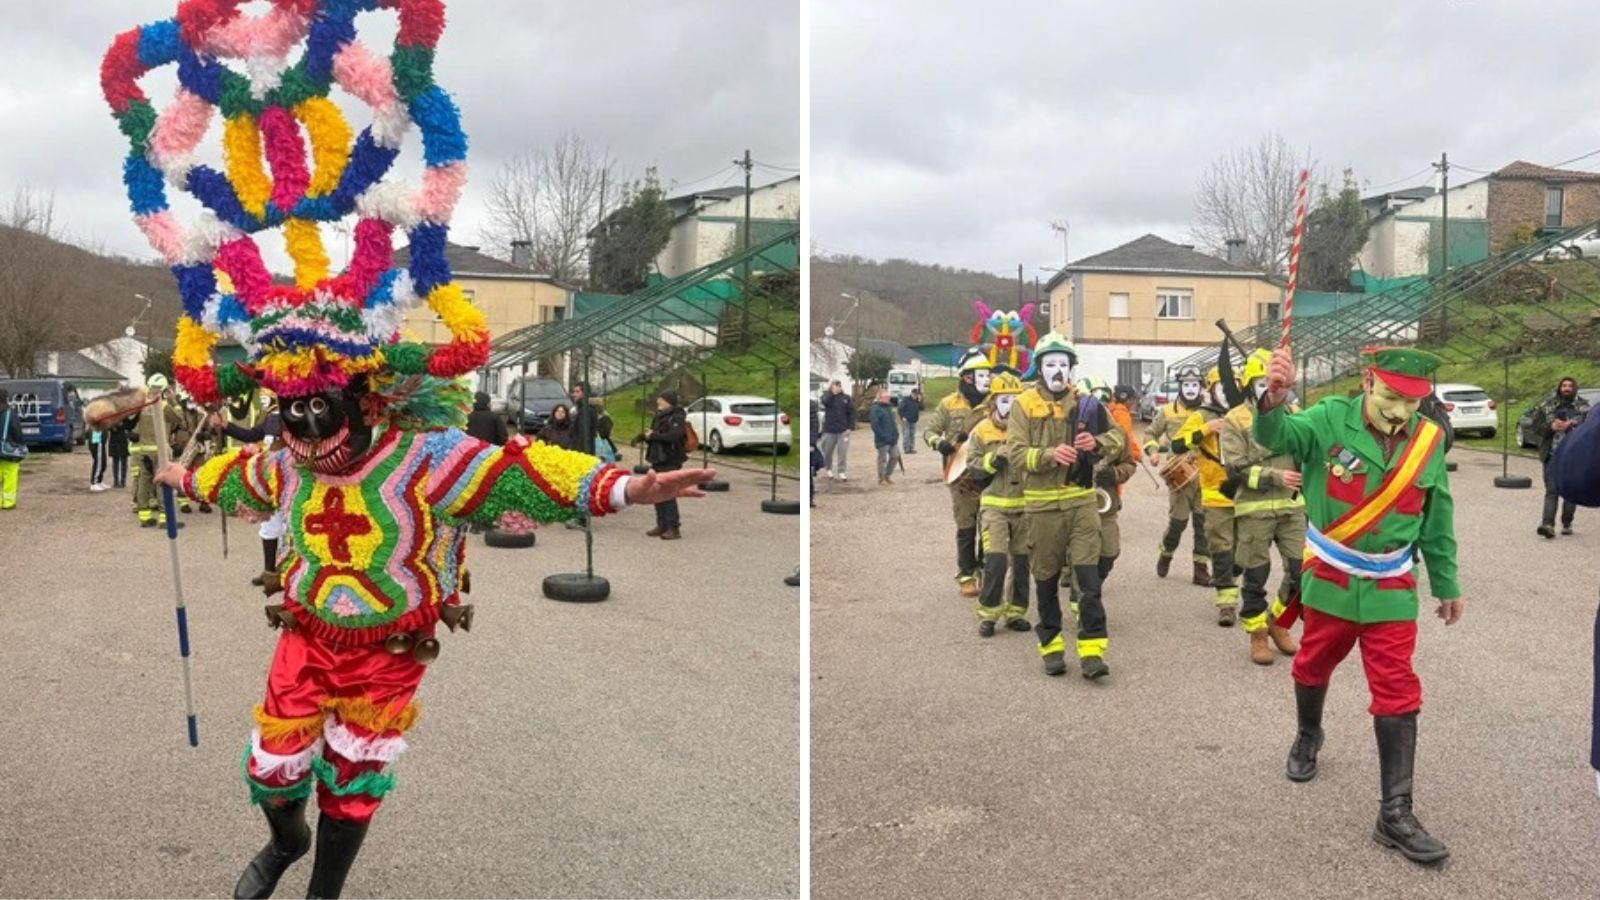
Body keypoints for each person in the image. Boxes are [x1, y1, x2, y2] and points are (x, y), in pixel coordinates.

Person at [1256, 346, 1460, 865]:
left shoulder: (1429, 440)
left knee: (1397, 687)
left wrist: (1446, 582)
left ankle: (1395, 813)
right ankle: (1308, 734)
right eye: (1392, 397)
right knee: (1313, 664)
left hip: (1392, 586)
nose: (1400, 412)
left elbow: (1436, 517)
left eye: (1413, 402)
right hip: (1330, 579)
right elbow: (1276, 437)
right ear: (1368, 381)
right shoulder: (1327, 419)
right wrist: (1273, 398)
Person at [1005, 333, 1121, 679]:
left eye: (1063, 364)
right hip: (1041, 509)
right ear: (1039, 369)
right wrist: (1049, 454)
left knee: (1088, 579)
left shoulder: (1087, 403)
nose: (1058, 370)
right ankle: (1052, 646)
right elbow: (1014, 453)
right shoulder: (1023, 405)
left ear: (1072, 368)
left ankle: (1091, 651)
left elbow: (1118, 440)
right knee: (1045, 579)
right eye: (1050, 364)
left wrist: (1096, 442)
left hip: (1082, 502)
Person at [1219, 349, 1303, 665]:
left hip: (1292, 507)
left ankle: (1277, 621)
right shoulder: (1234, 419)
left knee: (1300, 574)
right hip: (1253, 509)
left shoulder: (1293, 410)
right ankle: (1257, 634)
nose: (1267, 386)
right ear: (1249, 383)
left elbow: (1308, 449)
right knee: (1256, 576)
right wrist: (1274, 475)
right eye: (1261, 381)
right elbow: (1236, 469)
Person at [1548, 391, 1600, 798]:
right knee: (1556, 497)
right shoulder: (1553, 402)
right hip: (1560, 458)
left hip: (1573, 470)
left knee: (1566, 500)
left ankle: (1561, 522)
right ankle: (1551, 523)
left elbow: (1576, 473)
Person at [965, 371, 1031, 636]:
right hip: (994, 505)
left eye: (1016, 400)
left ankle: (1016, 612)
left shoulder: (1029, 429)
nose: (1010, 406)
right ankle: (989, 614)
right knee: (996, 560)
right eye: (1004, 400)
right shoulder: (981, 431)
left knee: (1023, 562)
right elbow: (972, 467)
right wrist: (995, 460)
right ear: (993, 402)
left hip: (1024, 505)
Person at [924, 350, 994, 597]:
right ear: (967, 378)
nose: (987, 379)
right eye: (981, 374)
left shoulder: (996, 402)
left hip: (989, 474)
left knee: (990, 526)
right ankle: (966, 574)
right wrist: (939, 443)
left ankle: (987, 571)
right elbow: (929, 431)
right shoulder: (949, 403)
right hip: (960, 476)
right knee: (966, 528)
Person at [1173, 366, 1239, 626]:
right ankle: (1227, 603)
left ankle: (1230, 576)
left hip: (1247, 493)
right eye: (1223, 387)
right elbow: (1178, 445)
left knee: (1247, 550)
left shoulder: (1246, 414)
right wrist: (1206, 429)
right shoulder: (1201, 415)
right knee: (1222, 549)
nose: (1228, 392)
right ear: (1211, 389)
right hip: (1214, 495)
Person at [1066, 377, 1137, 618]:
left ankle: (1091, 586)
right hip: (1075, 504)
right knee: (1082, 554)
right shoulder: (1066, 431)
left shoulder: (1114, 434)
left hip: (1105, 505)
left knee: (1109, 553)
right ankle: (1082, 597)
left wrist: (1114, 474)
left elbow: (1129, 464)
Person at [1143, 365, 1210, 585]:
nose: (1191, 389)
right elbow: (1151, 433)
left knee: (1203, 525)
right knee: (1178, 523)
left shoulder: (1208, 412)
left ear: (1201, 387)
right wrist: (1153, 452)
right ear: (1180, 386)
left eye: (1195, 385)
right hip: (1180, 476)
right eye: (1186, 385)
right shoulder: (1168, 411)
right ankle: (1166, 553)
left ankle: (1200, 569)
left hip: (1205, 475)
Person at [1533, 376, 1590, 538]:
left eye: (1570, 386)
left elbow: (1592, 429)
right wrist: (1551, 427)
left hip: (1574, 456)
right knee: (1551, 490)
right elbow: (1535, 426)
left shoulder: (1584, 407)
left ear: (1574, 388)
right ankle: (1547, 524)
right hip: (1552, 455)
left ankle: (1567, 522)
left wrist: (1572, 426)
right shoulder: (1547, 405)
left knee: (1570, 491)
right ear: (1559, 388)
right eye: (1563, 385)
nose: (1566, 388)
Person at [644, 390, 690, 540]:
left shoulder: (677, 417)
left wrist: (654, 435)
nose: (658, 401)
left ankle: (673, 527)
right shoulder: (659, 416)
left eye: (661, 399)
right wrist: (646, 436)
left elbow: (674, 436)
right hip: (657, 458)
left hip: (670, 459)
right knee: (657, 491)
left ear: (668, 401)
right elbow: (657, 435)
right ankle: (661, 524)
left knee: (668, 492)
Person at [818, 380, 853, 483]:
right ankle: (828, 468)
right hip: (830, 429)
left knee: (842, 452)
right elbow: (825, 402)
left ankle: (841, 471)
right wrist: (832, 394)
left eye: (839, 386)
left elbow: (851, 412)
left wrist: (850, 426)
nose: (838, 387)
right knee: (827, 451)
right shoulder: (826, 396)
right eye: (835, 386)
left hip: (843, 429)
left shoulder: (846, 398)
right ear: (832, 387)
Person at [869, 388, 899, 485]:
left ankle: (887, 475)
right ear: (880, 397)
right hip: (882, 439)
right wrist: (882, 436)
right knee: (882, 459)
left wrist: (896, 434)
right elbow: (875, 425)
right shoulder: (875, 409)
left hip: (892, 438)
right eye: (886, 397)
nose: (888, 398)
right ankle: (881, 478)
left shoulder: (889, 407)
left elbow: (893, 422)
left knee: (895, 456)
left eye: (889, 397)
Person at [0, 388, 23, 510]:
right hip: (8, 449)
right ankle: (8, 502)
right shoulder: (10, 413)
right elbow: (17, 431)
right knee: (10, 475)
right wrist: (19, 444)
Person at [109, 415, 134, 489]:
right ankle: (116, 481)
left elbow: (130, 425)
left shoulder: (124, 417)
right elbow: (108, 427)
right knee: (115, 462)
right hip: (114, 441)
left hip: (123, 441)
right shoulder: (112, 418)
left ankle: (123, 481)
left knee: (123, 462)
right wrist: (114, 425)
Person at [898, 386, 924, 454]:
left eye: (917, 395)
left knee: (912, 435)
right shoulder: (906, 400)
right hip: (906, 420)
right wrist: (902, 417)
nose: (915, 396)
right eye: (914, 394)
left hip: (914, 420)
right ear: (911, 393)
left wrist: (920, 400)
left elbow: (922, 408)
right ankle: (906, 449)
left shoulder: (917, 401)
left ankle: (911, 448)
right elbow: (900, 409)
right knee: (906, 434)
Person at [89, 425, 111, 492]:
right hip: (97, 441)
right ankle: (94, 483)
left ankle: (99, 481)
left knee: (103, 463)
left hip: (100, 442)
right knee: (99, 463)